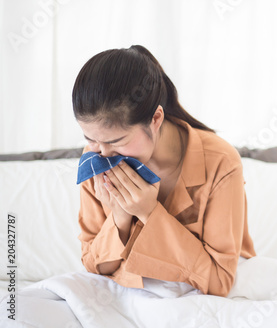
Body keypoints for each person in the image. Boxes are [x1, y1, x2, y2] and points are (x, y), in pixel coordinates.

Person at [72, 45, 256, 297]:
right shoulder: (94, 157)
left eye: (116, 141)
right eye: (90, 138)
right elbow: (94, 266)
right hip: (127, 300)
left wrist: (149, 212)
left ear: (155, 118)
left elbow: (219, 281)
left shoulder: (221, 161)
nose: (103, 154)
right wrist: (120, 218)